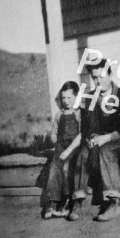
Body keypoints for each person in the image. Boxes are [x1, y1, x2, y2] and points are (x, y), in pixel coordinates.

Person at [69, 59, 120, 222]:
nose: (99, 81)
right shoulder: (91, 97)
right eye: (95, 78)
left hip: (119, 140)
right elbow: (87, 126)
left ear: (110, 74)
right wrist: (92, 138)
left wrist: (108, 137)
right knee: (83, 153)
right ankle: (77, 200)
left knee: (106, 151)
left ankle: (117, 202)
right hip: (98, 140)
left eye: (101, 76)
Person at [40, 81, 82, 219]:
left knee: (66, 169)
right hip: (60, 147)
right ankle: (52, 202)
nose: (66, 101)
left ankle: (67, 200)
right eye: (63, 98)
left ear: (77, 97)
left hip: (74, 148)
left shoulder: (79, 114)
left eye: (69, 98)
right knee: (53, 169)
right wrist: (53, 138)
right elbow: (54, 132)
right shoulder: (58, 115)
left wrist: (68, 150)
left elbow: (82, 135)